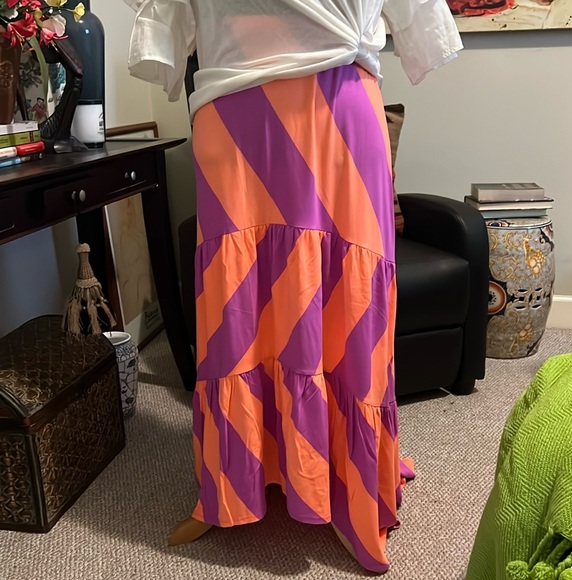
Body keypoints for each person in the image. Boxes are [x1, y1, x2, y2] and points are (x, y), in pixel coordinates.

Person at [124, 0, 462, 573]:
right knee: (238, 306)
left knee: (348, 299)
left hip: (339, 115)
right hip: (236, 125)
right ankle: (243, 476)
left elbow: (418, 24)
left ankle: (348, 485)